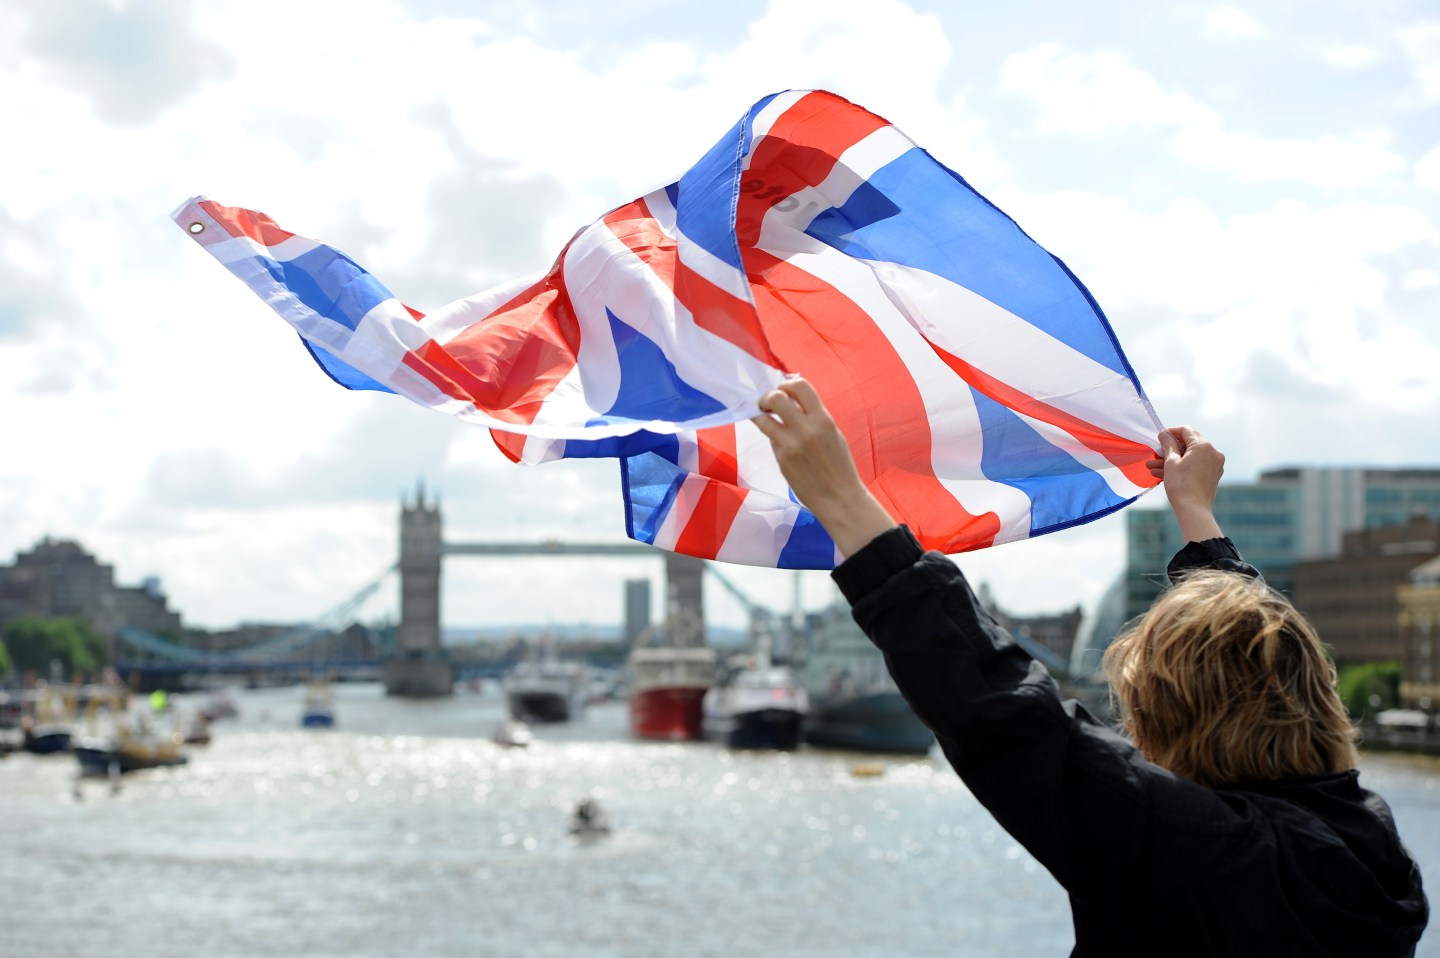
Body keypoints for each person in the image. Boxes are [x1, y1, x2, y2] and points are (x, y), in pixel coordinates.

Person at [751, 378, 1428, 957]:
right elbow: (1261, 661)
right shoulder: (1373, 855)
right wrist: (1199, 521)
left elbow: (1006, 716)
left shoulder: (1189, 852)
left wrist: (844, 501)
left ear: (1170, 716)